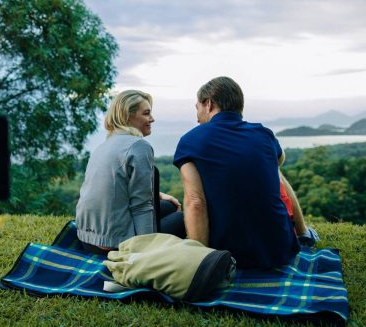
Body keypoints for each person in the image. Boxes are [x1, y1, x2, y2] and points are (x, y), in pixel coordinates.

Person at [173, 76, 317, 269]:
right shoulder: (263, 134)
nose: (197, 115)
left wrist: (202, 263)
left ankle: (205, 262)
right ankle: (303, 233)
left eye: (197, 107)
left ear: (209, 104)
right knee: (276, 173)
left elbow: (195, 202)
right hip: (278, 252)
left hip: (227, 256)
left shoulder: (190, 141)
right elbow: (278, 162)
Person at [76, 90, 185, 254]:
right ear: (128, 116)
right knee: (184, 217)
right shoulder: (139, 146)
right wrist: (145, 250)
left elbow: (113, 186)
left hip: (87, 238)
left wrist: (159, 195)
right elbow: (141, 206)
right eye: (146, 113)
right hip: (114, 243)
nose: (152, 119)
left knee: (168, 206)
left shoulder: (104, 146)